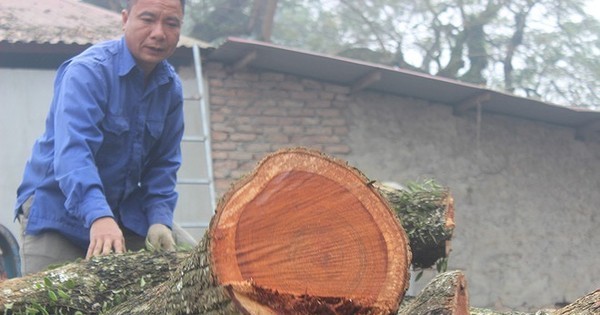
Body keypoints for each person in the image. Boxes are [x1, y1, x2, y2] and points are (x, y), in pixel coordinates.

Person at [14, 0, 187, 275]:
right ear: (124, 19)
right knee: (49, 300)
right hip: (57, 211)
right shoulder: (88, 72)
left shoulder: (171, 89)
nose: (158, 33)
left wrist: (159, 220)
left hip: (123, 213)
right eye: (147, 19)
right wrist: (99, 216)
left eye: (171, 23)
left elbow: (164, 165)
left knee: (196, 269)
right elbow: (73, 154)